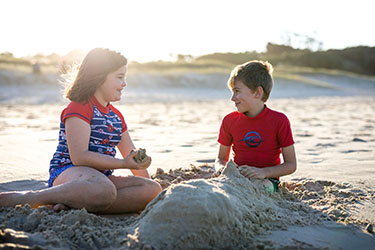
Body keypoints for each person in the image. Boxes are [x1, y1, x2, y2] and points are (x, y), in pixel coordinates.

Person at [0, 48, 162, 213]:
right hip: (68, 173)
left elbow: (131, 156)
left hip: (101, 180)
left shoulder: (116, 117)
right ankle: (31, 197)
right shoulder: (80, 107)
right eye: (119, 77)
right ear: (99, 78)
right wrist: (122, 164)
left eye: (124, 78)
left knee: (152, 189)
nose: (124, 83)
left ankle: (76, 204)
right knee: (104, 190)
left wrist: (142, 171)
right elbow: (79, 157)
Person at [215, 60, 297, 193]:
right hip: (236, 177)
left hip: (267, 179)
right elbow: (221, 159)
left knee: (261, 188)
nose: (232, 98)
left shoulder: (279, 120)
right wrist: (221, 169)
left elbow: (291, 165)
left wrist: (263, 172)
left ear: (258, 92)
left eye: (237, 91)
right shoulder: (229, 120)